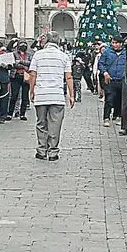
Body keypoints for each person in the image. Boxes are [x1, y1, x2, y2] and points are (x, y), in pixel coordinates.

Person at [28, 31, 75, 161]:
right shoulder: (64, 56)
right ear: (58, 42)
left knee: (41, 123)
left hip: (41, 94)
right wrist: (72, 95)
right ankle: (53, 152)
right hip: (57, 95)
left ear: (46, 41)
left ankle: (41, 150)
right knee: (55, 124)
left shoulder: (38, 55)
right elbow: (69, 77)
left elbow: (33, 74)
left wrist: (32, 91)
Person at [98, 36, 127, 126]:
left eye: (116, 43)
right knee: (109, 99)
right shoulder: (107, 52)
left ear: (121, 44)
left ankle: (118, 116)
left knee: (119, 99)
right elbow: (101, 63)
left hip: (121, 79)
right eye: (113, 43)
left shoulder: (125, 53)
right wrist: (105, 73)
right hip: (110, 79)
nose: (114, 44)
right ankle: (106, 118)